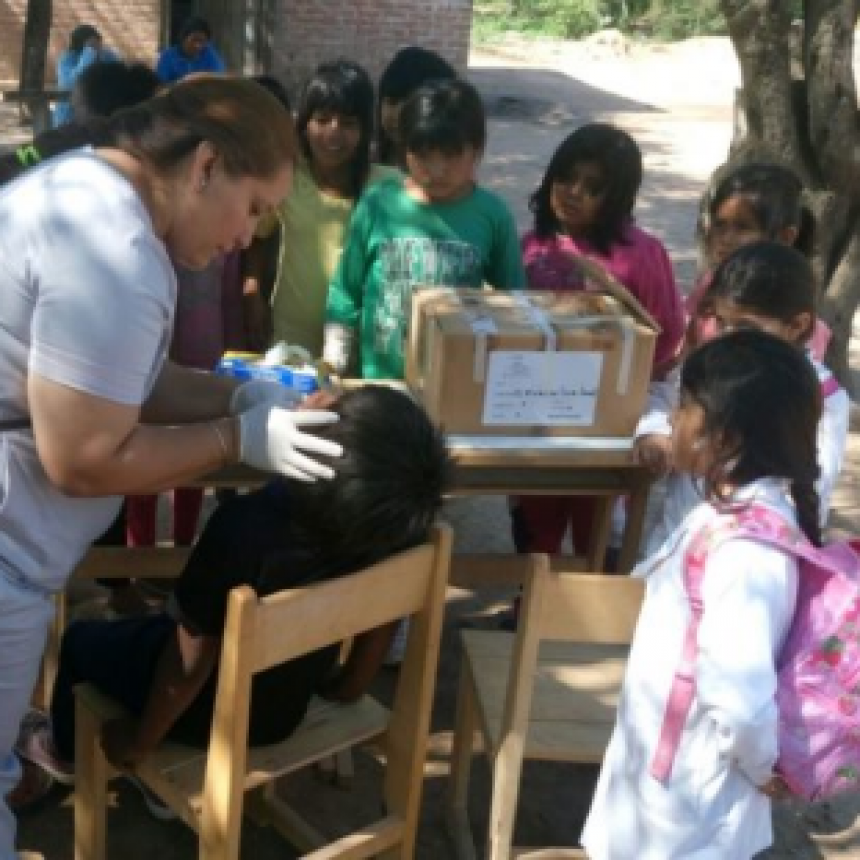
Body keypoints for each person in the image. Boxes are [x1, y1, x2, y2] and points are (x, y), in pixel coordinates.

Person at [0, 76, 343, 859]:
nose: (246, 236)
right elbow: (83, 458)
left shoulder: (88, 190)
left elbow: (116, 379)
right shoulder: (115, 251)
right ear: (207, 165)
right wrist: (234, 439)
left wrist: (239, 393)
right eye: (253, 208)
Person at [15, 386, 450, 803]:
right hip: (285, 710)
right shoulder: (393, 528)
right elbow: (377, 634)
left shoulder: (244, 529)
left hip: (213, 719)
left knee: (81, 640)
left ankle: (63, 752)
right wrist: (349, 686)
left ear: (322, 454)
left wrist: (140, 742)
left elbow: (188, 663)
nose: (321, 397)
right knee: (157, 632)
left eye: (335, 409)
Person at [582, 329, 823, 859]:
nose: (673, 418)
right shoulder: (729, 517)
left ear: (727, 439)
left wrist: (763, 768)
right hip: (669, 778)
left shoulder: (748, 553)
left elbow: (739, 698)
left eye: (686, 406)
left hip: (690, 797)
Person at [513, 123, 685, 564]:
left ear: (619, 197)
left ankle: (590, 602)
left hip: (609, 422)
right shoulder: (531, 247)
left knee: (598, 531)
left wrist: (632, 398)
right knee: (536, 524)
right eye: (566, 178)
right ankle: (529, 600)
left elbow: (665, 338)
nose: (573, 193)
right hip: (535, 417)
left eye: (593, 187)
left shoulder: (641, 255)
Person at [635, 240, 849, 556]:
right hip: (676, 539)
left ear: (797, 325)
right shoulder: (711, 364)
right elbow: (664, 396)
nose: (729, 335)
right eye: (721, 322)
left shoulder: (823, 398)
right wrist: (655, 433)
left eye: (746, 325)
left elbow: (812, 486)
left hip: (748, 545)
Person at [323, 77, 526, 381]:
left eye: (451, 155)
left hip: (455, 382)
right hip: (381, 381)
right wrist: (335, 358)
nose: (436, 170)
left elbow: (514, 302)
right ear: (405, 149)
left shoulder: (492, 215)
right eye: (423, 156)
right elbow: (346, 291)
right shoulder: (377, 204)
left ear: (476, 149)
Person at [244, 60, 396, 355]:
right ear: (304, 124)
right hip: (292, 334)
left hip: (361, 339)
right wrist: (252, 293)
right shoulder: (286, 178)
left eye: (348, 123)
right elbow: (258, 236)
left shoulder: (387, 187)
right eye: (323, 120)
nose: (333, 133)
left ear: (366, 129)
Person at [686, 161, 828, 356]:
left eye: (743, 227)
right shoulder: (709, 286)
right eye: (720, 225)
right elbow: (690, 349)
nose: (725, 238)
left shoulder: (794, 317)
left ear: (785, 237)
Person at [376, 46, 456, 168]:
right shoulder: (370, 165)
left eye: (410, 104)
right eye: (392, 102)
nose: (398, 114)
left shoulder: (446, 173)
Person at [53, 23, 119, 127]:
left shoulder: (108, 55)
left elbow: (118, 76)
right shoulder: (67, 58)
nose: (97, 46)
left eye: (97, 42)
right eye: (91, 44)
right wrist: (88, 54)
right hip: (70, 113)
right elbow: (70, 83)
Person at [156, 16, 225, 84]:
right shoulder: (168, 57)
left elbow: (220, 79)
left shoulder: (210, 54)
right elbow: (160, 85)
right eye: (194, 40)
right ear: (183, 38)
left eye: (202, 41)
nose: (197, 46)